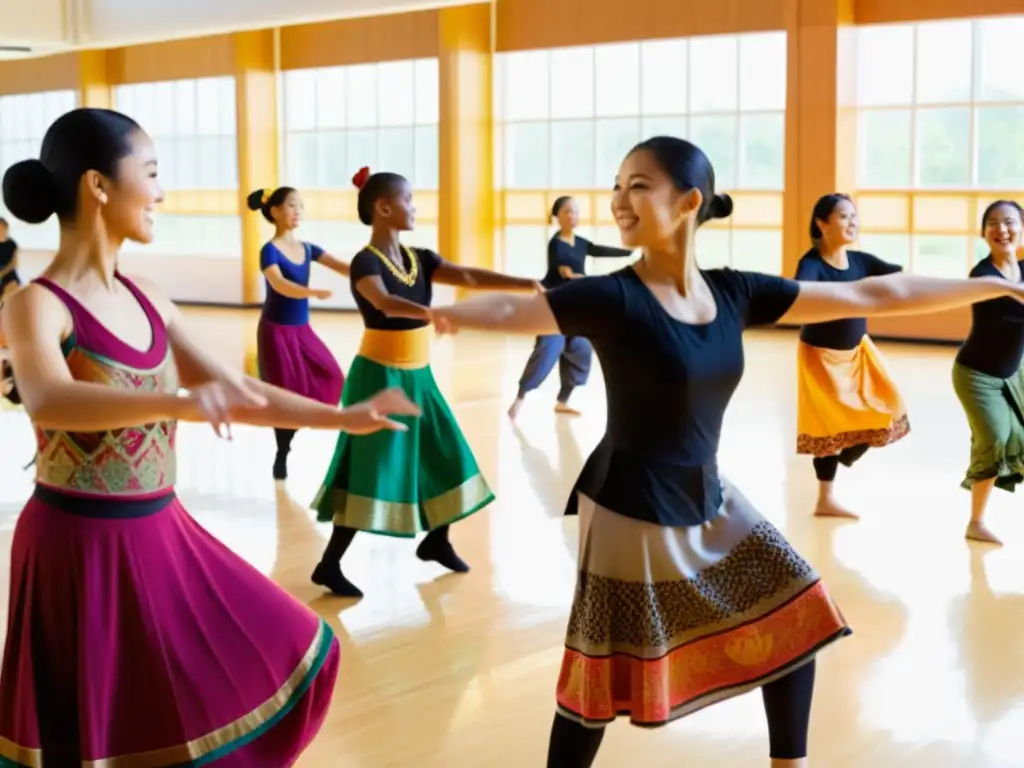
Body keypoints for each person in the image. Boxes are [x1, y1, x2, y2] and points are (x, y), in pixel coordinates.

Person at [428, 136, 1024, 768]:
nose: (618, 202)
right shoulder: (612, 297)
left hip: (707, 492)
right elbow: (525, 309)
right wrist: (444, 312)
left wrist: (995, 291)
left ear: (689, 202)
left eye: (638, 186)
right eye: (616, 187)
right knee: (598, 683)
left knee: (798, 616)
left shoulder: (736, 292)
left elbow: (873, 295)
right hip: (630, 507)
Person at [0, 107, 421, 765]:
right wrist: (177, 398)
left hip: (160, 529)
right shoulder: (37, 303)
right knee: (91, 737)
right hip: (76, 545)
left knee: (279, 648)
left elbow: (237, 392)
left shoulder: (148, 298)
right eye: (152, 173)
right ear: (98, 186)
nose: (163, 193)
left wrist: (342, 415)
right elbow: (50, 401)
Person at [310, 166, 540, 599]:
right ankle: (329, 565)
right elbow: (383, 301)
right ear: (382, 207)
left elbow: (469, 277)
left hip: (420, 375)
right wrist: (432, 314)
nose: (415, 207)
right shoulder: (365, 261)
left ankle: (436, 539)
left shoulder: (422, 259)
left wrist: (528, 284)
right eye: (408, 200)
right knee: (373, 469)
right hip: (378, 376)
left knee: (447, 452)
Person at [794, 194, 908, 518]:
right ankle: (825, 498)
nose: (852, 223)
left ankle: (845, 457)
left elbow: (897, 275)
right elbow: (801, 291)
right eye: (844, 216)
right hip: (821, 359)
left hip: (859, 353)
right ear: (822, 223)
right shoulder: (813, 263)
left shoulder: (860, 261)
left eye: (854, 217)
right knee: (828, 430)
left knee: (890, 409)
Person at [247, 185, 351, 480]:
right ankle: (282, 451)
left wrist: (375, 266)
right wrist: (312, 291)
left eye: (300, 206)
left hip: (301, 330)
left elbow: (345, 267)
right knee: (283, 394)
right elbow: (279, 284)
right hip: (276, 333)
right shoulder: (269, 251)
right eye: (291, 205)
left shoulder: (308, 249)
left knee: (331, 375)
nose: (297, 211)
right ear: (276, 211)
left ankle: (319, 430)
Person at [507, 195, 632, 421]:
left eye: (576, 211)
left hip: (576, 305)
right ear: (557, 217)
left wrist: (630, 251)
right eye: (568, 211)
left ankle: (562, 401)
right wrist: (583, 279)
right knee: (548, 349)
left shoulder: (581, 243)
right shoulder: (556, 244)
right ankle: (519, 399)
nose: (573, 216)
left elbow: (599, 250)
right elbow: (565, 272)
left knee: (581, 350)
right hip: (554, 305)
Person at [952, 199, 1024, 546]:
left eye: (1009, 222)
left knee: (1017, 438)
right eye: (993, 223)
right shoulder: (982, 275)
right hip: (976, 375)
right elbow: (1007, 295)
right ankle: (976, 521)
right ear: (984, 233)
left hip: (1013, 371)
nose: (1002, 229)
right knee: (994, 438)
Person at [0, 217, 20, 301]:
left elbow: (14, 263)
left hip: (8, 272)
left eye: (3, 228)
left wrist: (2, 273)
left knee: (12, 287)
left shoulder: (12, 244)